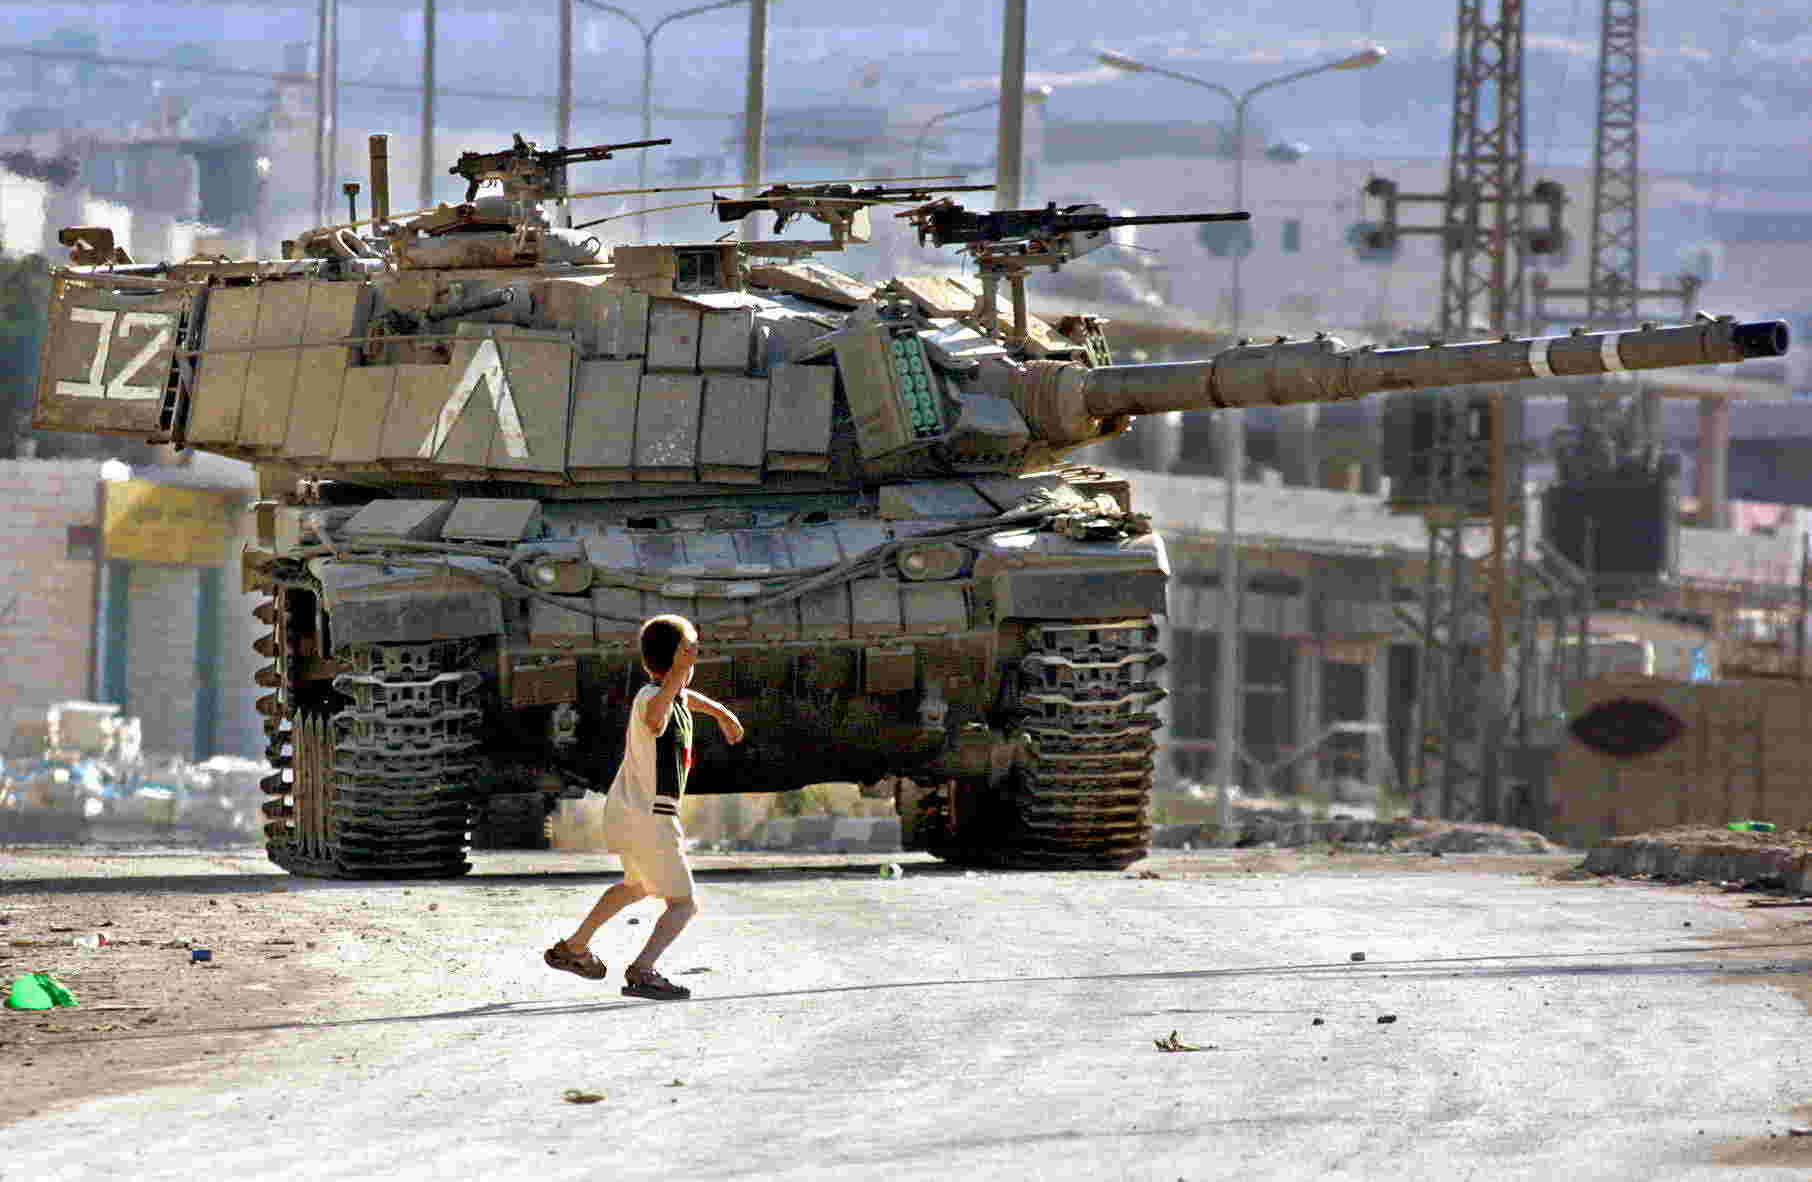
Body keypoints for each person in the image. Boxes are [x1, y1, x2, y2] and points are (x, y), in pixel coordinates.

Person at [543, 614, 743, 999]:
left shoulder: (661, 691)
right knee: (683, 904)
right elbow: (657, 718)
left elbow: (684, 697)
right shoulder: (654, 700)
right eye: (689, 651)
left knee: (634, 887)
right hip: (651, 817)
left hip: (630, 812)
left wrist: (721, 713)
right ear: (682, 658)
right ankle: (643, 970)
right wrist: (681, 673)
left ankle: (573, 948)